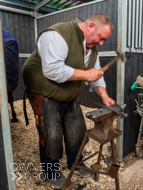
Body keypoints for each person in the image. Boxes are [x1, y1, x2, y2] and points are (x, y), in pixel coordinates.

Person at [22, 13, 115, 189]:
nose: (101, 43)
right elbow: (52, 70)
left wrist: (104, 95)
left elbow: (96, 75)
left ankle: (76, 164)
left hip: (69, 93)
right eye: (100, 38)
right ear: (90, 27)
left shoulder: (92, 48)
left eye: (104, 40)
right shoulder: (58, 35)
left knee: (76, 130)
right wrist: (86, 74)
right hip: (45, 91)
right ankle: (51, 172)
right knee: (51, 133)